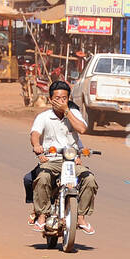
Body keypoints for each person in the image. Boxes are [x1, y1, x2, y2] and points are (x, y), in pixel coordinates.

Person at [28, 81, 98, 236]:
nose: (61, 101)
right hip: (52, 160)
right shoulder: (43, 117)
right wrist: (37, 147)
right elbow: (35, 134)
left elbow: (82, 129)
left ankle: (80, 217)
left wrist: (67, 111)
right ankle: (42, 215)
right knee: (43, 177)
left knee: (89, 179)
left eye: (64, 98)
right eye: (57, 98)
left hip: (72, 161)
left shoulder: (74, 114)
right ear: (50, 98)